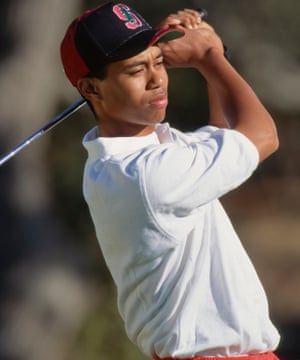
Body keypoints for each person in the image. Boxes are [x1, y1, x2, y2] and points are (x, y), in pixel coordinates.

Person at [60, 2, 280, 360]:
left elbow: (222, 135)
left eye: (158, 62)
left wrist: (215, 54)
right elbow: (262, 136)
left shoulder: (122, 162)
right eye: (136, 70)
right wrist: (208, 58)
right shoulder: (147, 175)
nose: (157, 79)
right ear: (91, 88)